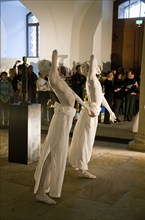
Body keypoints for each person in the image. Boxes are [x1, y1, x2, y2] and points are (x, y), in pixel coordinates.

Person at [34, 50, 96, 205]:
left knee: (55, 154)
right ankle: (41, 192)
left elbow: (74, 95)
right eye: (54, 68)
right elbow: (54, 63)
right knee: (52, 154)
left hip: (66, 120)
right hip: (61, 121)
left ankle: (43, 189)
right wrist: (55, 54)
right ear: (49, 71)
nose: (58, 70)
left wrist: (86, 108)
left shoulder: (60, 82)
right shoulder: (53, 80)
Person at [68, 55, 116, 179]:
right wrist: (93, 56)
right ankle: (83, 169)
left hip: (92, 111)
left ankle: (80, 163)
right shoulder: (91, 79)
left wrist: (110, 112)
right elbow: (91, 71)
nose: (97, 68)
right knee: (86, 141)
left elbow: (101, 98)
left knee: (85, 139)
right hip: (91, 113)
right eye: (95, 67)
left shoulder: (94, 80)